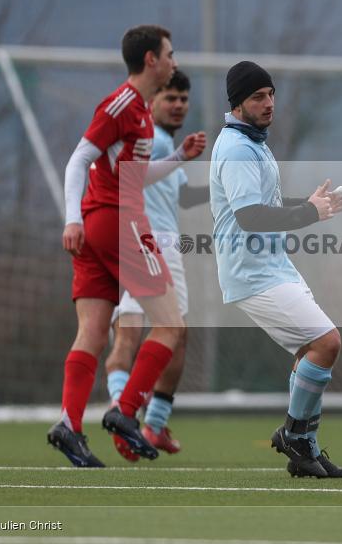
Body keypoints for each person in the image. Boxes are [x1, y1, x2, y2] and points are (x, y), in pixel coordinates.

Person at [48, 25, 205, 467]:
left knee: (94, 332)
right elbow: (78, 158)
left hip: (104, 225)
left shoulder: (140, 113)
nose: (175, 62)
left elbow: (133, 175)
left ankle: (70, 425)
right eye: (170, 54)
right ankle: (125, 411)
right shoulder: (121, 104)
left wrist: (178, 159)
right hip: (118, 223)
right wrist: (72, 218)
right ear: (151, 59)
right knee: (171, 327)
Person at [209, 61, 342, 479]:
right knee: (326, 342)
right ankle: (294, 434)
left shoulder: (251, 141)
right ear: (237, 103)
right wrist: (308, 212)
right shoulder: (237, 149)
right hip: (252, 272)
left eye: (271, 94)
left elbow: (263, 205)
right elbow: (250, 217)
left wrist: (304, 205)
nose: (269, 103)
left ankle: (304, 450)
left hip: (273, 266)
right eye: (258, 97)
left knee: (309, 351)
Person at [104, 69, 209, 460]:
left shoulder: (154, 140)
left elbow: (182, 198)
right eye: (170, 97)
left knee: (128, 332)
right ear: (152, 100)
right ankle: (148, 421)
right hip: (155, 243)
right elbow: (133, 180)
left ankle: (123, 413)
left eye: (184, 98)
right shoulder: (152, 141)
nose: (179, 105)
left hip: (129, 242)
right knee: (174, 334)